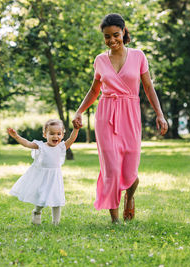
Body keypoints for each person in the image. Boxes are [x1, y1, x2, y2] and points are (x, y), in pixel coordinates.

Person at [72, 13, 168, 223]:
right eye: (107, 37)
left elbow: (148, 87)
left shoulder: (138, 56)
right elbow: (94, 90)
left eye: (116, 35)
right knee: (112, 169)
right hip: (106, 115)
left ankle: (130, 196)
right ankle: (115, 220)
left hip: (130, 114)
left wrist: (160, 115)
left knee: (130, 169)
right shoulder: (99, 60)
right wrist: (79, 111)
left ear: (124, 32)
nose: (112, 40)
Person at [8, 119, 80, 225]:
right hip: (43, 178)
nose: (55, 137)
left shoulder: (61, 147)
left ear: (62, 135)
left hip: (55, 178)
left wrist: (76, 129)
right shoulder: (41, 146)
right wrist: (16, 136)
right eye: (52, 134)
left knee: (57, 200)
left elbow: (72, 138)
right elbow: (27, 143)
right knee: (41, 199)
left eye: (58, 134)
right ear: (45, 134)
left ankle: (56, 223)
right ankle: (37, 212)